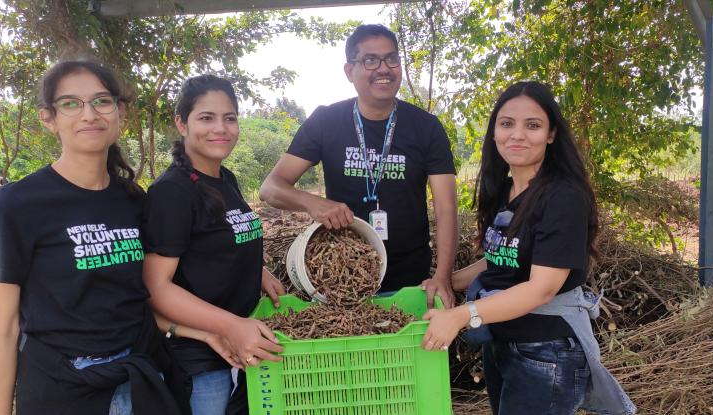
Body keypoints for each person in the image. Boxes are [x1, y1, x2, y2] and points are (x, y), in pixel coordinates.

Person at [0, 59, 191, 415]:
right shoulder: (16, 205)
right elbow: (5, 326)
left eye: (101, 101)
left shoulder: (132, 198)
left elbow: (139, 295)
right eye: (70, 103)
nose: (89, 114)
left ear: (119, 112)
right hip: (65, 388)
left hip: (140, 377)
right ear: (48, 119)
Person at [421, 82, 635, 415]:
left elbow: (541, 288)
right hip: (504, 341)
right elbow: (498, 260)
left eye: (532, 125)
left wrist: (462, 315)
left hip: (546, 351)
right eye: (507, 124)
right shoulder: (504, 191)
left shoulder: (562, 196)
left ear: (551, 134)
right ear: (494, 131)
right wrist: (445, 281)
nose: (517, 134)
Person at [260, 24, 458, 307]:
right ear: (349, 70)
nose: (384, 68)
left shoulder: (426, 128)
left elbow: (446, 207)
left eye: (392, 59)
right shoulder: (326, 121)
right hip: (340, 274)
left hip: (411, 281)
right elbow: (271, 188)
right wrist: (314, 204)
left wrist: (443, 276)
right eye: (370, 60)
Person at [141, 74, 285, 415]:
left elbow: (217, 241)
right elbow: (156, 288)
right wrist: (232, 326)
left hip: (238, 346)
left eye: (229, 118)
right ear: (182, 123)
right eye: (206, 118)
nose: (220, 128)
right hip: (200, 361)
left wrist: (259, 272)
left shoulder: (225, 178)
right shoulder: (172, 192)